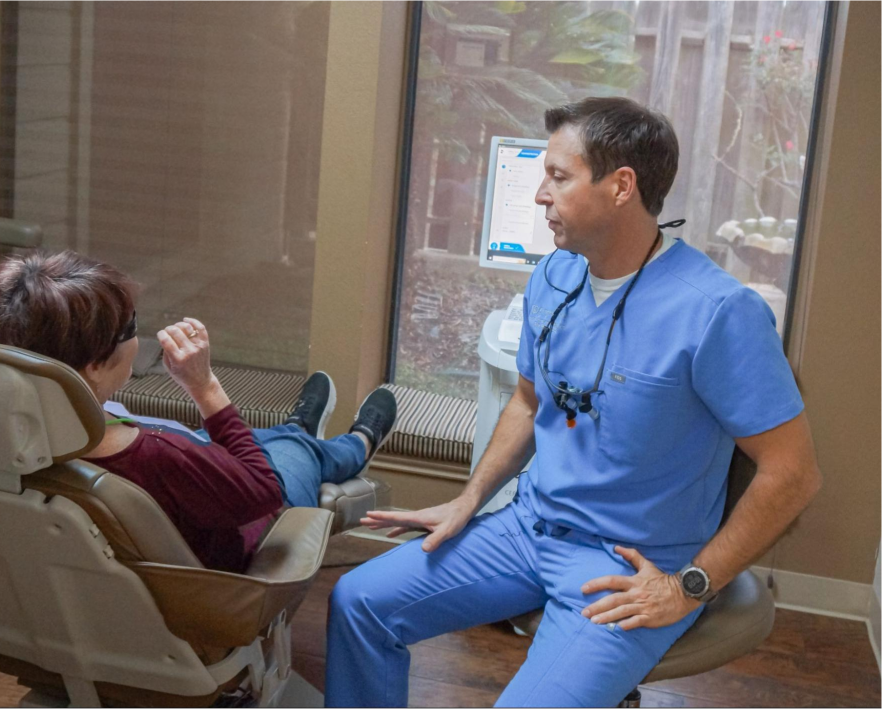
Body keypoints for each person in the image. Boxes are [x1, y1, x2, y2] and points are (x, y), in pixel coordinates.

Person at [325, 97, 821, 707]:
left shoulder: (718, 312)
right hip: (525, 529)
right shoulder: (556, 275)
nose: (539, 194)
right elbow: (530, 403)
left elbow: (792, 474)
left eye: (558, 176)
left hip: (626, 566)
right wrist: (469, 500)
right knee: (359, 603)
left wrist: (689, 586)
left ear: (621, 186)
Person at [0, 250, 397, 573]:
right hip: (220, 569)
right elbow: (263, 492)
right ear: (95, 364)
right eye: (131, 325)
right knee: (296, 452)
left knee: (270, 439)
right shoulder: (156, 457)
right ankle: (353, 443)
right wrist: (203, 384)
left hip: (75, 604)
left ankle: (299, 427)